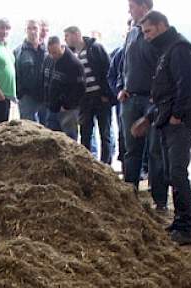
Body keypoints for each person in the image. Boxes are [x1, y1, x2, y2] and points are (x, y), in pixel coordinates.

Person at [130, 11, 191, 246]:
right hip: (166, 120)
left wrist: (177, 115)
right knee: (171, 172)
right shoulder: (167, 49)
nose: (146, 37)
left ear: (161, 26)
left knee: (178, 172)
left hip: (179, 123)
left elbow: (188, 85)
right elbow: (164, 92)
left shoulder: (180, 48)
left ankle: (185, 227)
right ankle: (179, 221)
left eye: (148, 31)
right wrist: (150, 117)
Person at [117, 0, 166, 210]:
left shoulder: (158, 34)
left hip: (152, 100)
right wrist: (121, 86)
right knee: (131, 149)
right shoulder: (132, 33)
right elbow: (124, 65)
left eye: (132, 5)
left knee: (156, 151)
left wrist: (159, 95)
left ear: (144, 7)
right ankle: (130, 195)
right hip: (130, 98)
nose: (129, 10)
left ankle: (160, 200)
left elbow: (164, 67)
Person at [64, 26, 113, 164]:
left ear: (76, 34)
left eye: (67, 36)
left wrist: (106, 94)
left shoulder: (95, 48)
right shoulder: (71, 54)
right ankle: (87, 164)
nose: (65, 40)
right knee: (85, 133)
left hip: (100, 96)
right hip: (84, 100)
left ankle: (106, 164)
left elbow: (108, 70)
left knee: (105, 133)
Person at [45, 36, 85, 140]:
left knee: (69, 138)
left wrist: (67, 105)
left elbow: (80, 89)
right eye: (50, 52)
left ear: (62, 47)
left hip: (68, 109)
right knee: (52, 139)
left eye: (55, 52)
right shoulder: (50, 59)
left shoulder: (74, 64)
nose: (53, 55)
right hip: (52, 106)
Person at [14, 19, 48, 123]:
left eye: (35, 28)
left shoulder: (47, 50)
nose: (32, 31)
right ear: (25, 30)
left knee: (47, 129)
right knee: (29, 129)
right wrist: (20, 93)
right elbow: (15, 74)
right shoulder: (18, 51)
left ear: (40, 30)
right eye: (29, 28)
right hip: (27, 97)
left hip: (45, 96)